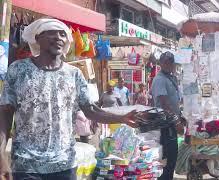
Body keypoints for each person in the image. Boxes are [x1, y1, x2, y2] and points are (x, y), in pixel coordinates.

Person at [0, 19, 136, 180]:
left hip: (64, 165)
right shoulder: (18, 69)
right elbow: (5, 114)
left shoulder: (74, 74)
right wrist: (1, 155)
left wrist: (121, 118)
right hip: (27, 165)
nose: (58, 37)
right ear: (37, 38)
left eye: (63, 34)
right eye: (51, 32)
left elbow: (90, 110)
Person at [151, 51, 180, 180]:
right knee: (168, 157)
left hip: (171, 122)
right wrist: (177, 121)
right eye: (166, 62)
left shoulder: (171, 77)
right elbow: (164, 104)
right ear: (162, 64)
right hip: (165, 124)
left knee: (172, 157)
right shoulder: (160, 79)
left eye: (171, 62)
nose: (169, 65)